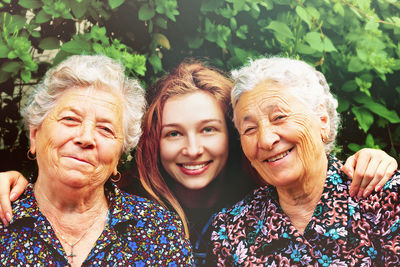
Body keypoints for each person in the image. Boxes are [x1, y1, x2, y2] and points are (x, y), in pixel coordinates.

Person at [0, 60, 397, 266]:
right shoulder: (136, 203)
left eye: (209, 129)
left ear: (233, 135)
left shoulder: (370, 193)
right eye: (173, 133)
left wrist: (374, 161)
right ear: (149, 144)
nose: (192, 148)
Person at [0, 55, 192, 266]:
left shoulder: (158, 230)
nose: (85, 138)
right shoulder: (4, 217)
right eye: (70, 119)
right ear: (35, 134)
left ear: (120, 155)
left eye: (105, 129)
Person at [208, 57, 400, 265]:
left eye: (279, 117)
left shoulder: (383, 198)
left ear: (322, 122)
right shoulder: (230, 229)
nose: (265, 140)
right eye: (249, 129)